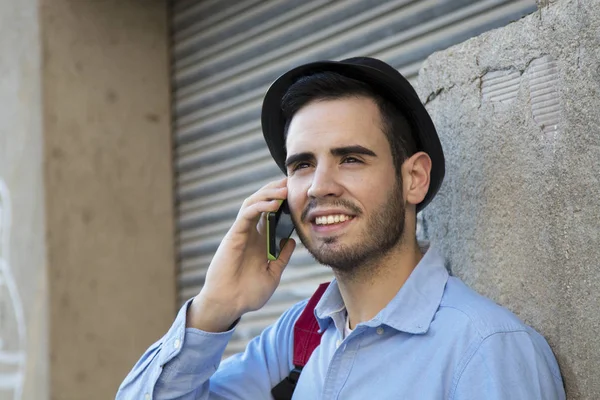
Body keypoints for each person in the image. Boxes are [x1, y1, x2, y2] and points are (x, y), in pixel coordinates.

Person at [117, 57, 565, 399]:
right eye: (302, 164)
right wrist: (213, 310)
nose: (319, 186)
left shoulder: (486, 349)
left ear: (414, 178)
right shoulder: (298, 336)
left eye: (350, 158)